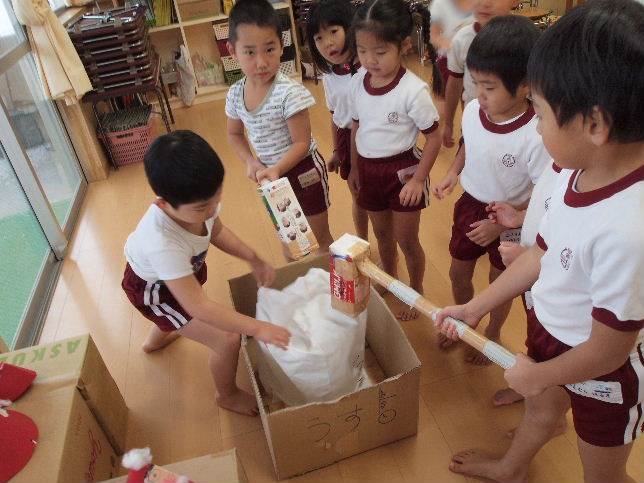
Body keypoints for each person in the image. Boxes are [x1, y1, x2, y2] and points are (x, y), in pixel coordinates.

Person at [436, 2, 644, 481]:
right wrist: (475, 307)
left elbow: (610, 350)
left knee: (603, 475)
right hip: (551, 332)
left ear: (594, 125)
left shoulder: (629, 229)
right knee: (540, 410)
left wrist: (541, 375)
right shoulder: (576, 173)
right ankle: (512, 467)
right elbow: (542, 254)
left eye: (543, 116)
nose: (537, 126)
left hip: (602, 373)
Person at [122, 131, 291, 416]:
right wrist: (259, 328)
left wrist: (253, 257)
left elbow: (217, 231)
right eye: (203, 207)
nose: (212, 210)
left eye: (216, 200)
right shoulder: (163, 243)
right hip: (155, 292)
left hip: (179, 273)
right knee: (227, 338)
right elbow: (197, 306)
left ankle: (154, 342)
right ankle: (226, 394)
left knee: (175, 319)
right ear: (162, 204)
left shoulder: (200, 204)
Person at [433, 15, 548, 364]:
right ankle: (464, 320)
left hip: (513, 217)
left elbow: (543, 193)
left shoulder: (537, 132)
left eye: (490, 87)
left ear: (525, 85)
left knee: (501, 284)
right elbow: (471, 143)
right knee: (458, 271)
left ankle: (493, 333)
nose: (479, 95)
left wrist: (503, 225)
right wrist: (454, 171)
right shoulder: (472, 110)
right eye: (475, 82)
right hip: (470, 204)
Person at [348, 0, 442, 321]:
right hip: (369, 169)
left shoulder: (413, 91)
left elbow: (434, 137)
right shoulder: (357, 82)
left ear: (403, 46)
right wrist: (354, 167)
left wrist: (418, 180)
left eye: (380, 51)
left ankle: (415, 290)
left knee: (406, 238)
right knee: (382, 235)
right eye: (362, 51)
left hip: (403, 171)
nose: (370, 60)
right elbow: (355, 127)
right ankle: (391, 280)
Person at [225, 0, 333, 257]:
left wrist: (275, 169)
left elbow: (301, 143)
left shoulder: (289, 92)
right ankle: (299, 285)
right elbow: (234, 133)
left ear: (281, 45)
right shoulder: (235, 93)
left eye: (269, 49)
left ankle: (331, 288)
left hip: (304, 170)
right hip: (271, 177)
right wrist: (250, 161)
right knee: (290, 241)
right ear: (232, 51)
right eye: (250, 52)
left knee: (318, 238)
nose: (261, 62)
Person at [306, 0, 369, 240]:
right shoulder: (329, 75)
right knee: (357, 197)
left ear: (350, 29)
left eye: (333, 32)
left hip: (370, 138)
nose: (328, 43)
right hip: (345, 138)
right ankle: (363, 243)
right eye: (319, 38)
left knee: (377, 201)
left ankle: (386, 247)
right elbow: (335, 115)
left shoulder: (368, 69)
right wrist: (335, 150)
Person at [441, 0, 518, 148]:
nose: (485, 3)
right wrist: (449, 123)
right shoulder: (462, 39)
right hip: (474, 124)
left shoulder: (524, 41)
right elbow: (454, 83)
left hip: (513, 128)